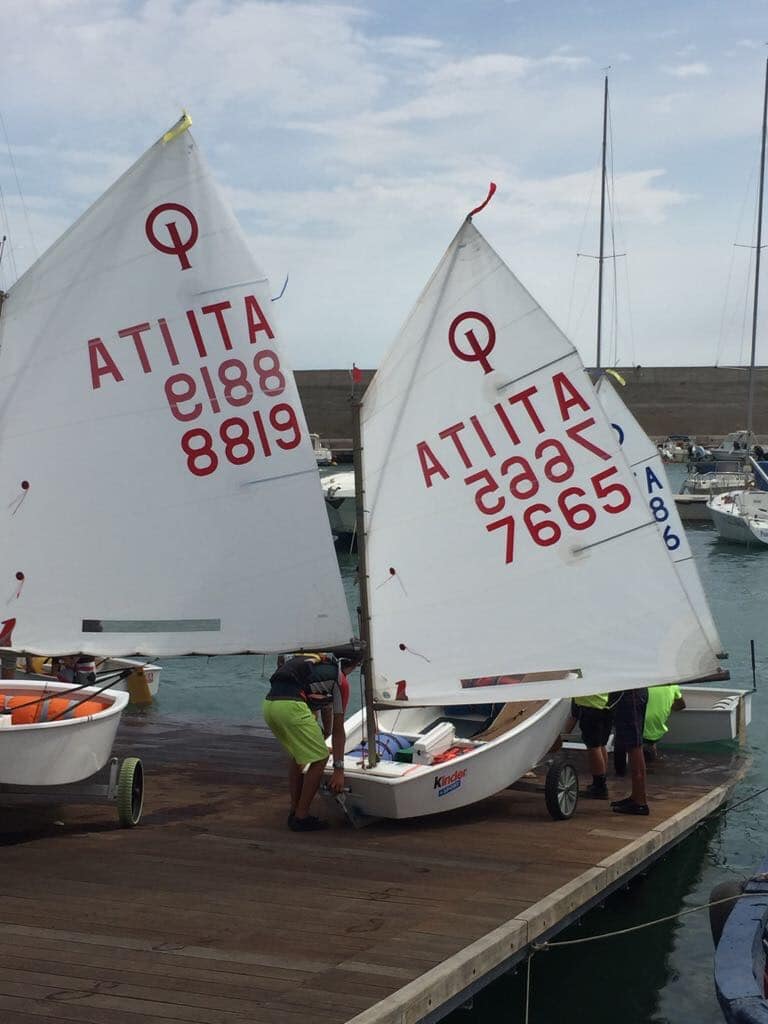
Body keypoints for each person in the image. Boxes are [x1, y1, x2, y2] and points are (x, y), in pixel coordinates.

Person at [262, 653, 347, 832]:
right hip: (291, 707)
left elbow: (315, 707)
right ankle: (301, 816)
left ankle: (295, 809)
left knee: (298, 755)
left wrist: (318, 739)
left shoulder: (306, 662)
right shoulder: (340, 679)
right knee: (320, 757)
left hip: (269, 705)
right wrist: (339, 769)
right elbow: (338, 728)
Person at [609, 687, 649, 815]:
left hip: (629, 693)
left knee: (634, 745)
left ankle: (640, 802)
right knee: (631, 744)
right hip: (629, 692)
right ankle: (636, 796)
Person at [573, 693, 613, 799]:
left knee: (593, 747)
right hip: (606, 705)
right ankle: (601, 782)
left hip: (591, 706)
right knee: (601, 745)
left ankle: (599, 787)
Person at [642, 684, 685, 763]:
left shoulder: (640, 685)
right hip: (657, 730)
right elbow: (681, 705)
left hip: (639, 730)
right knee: (649, 753)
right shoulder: (673, 685)